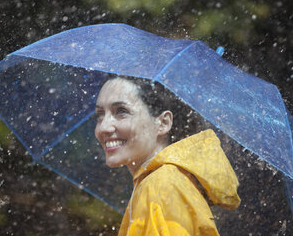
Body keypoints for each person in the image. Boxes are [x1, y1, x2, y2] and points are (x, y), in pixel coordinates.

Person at [94, 76, 241, 236]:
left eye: (122, 112)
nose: (104, 127)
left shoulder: (160, 187)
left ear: (163, 123)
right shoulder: (168, 181)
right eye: (100, 114)